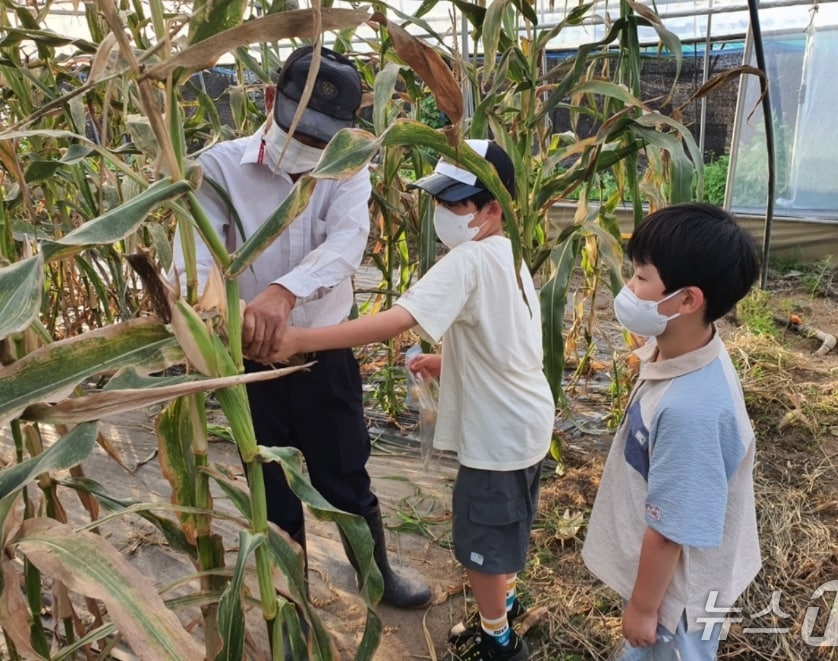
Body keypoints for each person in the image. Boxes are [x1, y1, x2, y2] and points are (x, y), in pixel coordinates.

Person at [253, 139, 555, 661]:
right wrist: (446, 362)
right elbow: (513, 341)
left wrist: (300, 341)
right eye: (438, 199)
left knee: (481, 546)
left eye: (456, 203)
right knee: (506, 530)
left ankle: (498, 642)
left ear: (492, 210)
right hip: (527, 423)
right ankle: (501, 609)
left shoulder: (467, 262)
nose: (441, 212)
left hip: (497, 437)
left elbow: (396, 321)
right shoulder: (512, 253)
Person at [172, 45, 432, 610]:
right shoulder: (215, 169)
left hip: (320, 356)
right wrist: (234, 319)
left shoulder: (348, 167)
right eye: (302, 132)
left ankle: (375, 572)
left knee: (345, 474)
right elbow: (191, 269)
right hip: (246, 365)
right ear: (269, 100)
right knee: (272, 482)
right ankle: (290, 601)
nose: (311, 150)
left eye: (325, 140)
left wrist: (283, 293)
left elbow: (346, 245)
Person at [581, 202, 762, 660]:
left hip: (678, 599)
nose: (629, 287)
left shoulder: (691, 410)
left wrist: (644, 608)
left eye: (641, 277)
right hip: (670, 582)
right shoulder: (686, 347)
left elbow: (669, 532)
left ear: (687, 300)